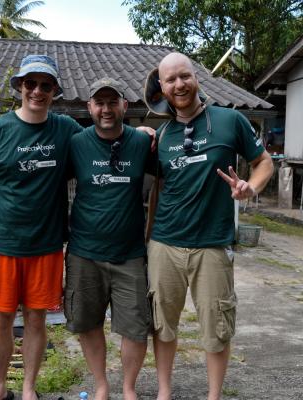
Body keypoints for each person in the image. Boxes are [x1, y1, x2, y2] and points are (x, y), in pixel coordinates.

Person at [145, 52, 274, 400]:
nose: (179, 85)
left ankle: (214, 396)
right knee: (163, 325)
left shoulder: (230, 120)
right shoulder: (164, 134)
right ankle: (164, 392)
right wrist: (141, 134)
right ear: (162, 89)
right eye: (170, 80)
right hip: (165, 243)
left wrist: (251, 187)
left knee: (217, 328)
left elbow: (263, 163)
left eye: (184, 76)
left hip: (214, 245)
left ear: (196, 77)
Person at [0, 54, 83, 400]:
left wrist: (140, 132)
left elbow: (102, 140)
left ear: (54, 91)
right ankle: (0, 387)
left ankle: (29, 388)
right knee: (0, 320)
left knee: (36, 321)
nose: (37, 91)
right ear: (19, 86)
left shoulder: (66, 130)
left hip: (46, 247)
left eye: (45, 85)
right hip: (2, 245)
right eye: (30, 83)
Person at [64, 77, 154, 400]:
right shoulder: (76, 144)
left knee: (136, 326)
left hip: (130, 253)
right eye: (99, 103)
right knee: (87, 322)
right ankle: (101, 385)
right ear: (89, 107)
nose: (106, 109)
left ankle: (129, 388)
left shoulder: (142, 143)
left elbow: (171, 176)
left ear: (124, 106)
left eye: (112, 102)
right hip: (84, 252)